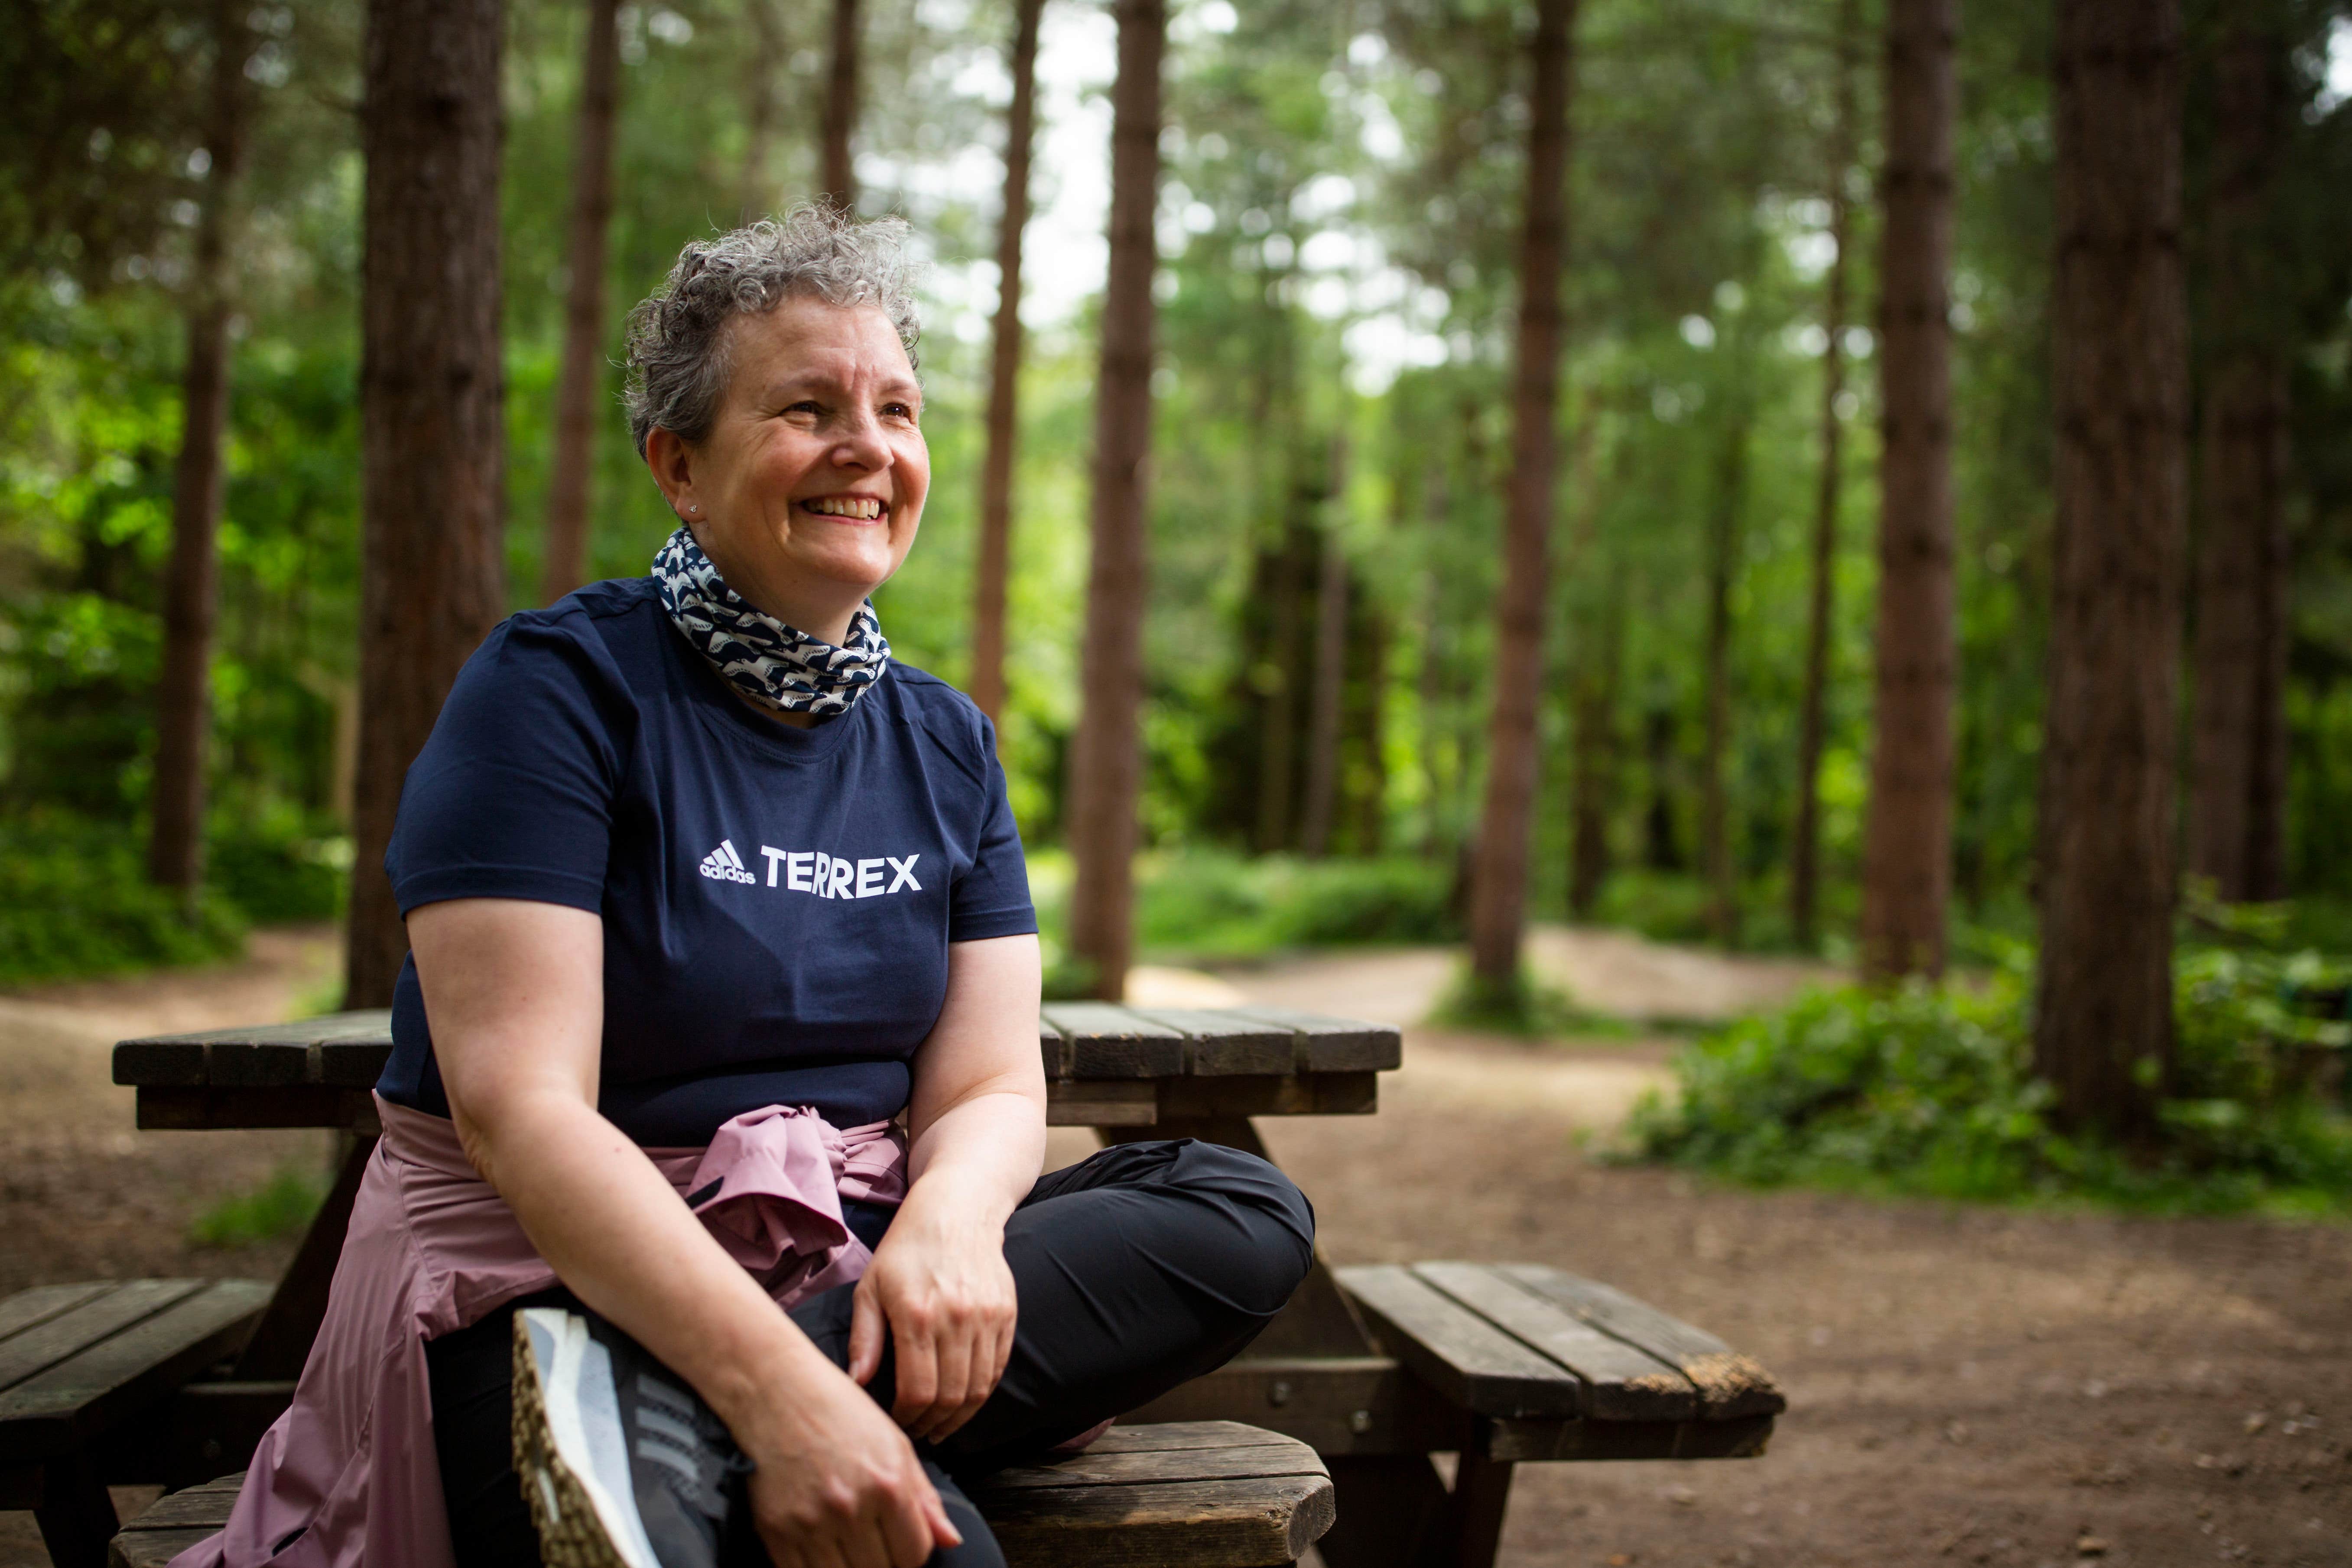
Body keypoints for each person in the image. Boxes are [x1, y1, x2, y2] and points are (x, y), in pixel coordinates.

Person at [173, 207, 1315, 1568]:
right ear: (679, 464)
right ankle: (667, 1414)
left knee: (1236, 1208)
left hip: (847, 1248)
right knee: (926, 1545)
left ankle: (655, 1431)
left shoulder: (947, 741)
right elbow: (520, 1115)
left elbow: (994, 1086)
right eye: (806, 407)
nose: (869, 448)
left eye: (896, 407)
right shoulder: (554, 691)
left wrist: (947, 1233)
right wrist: (789, 1407)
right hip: (545, 1290)